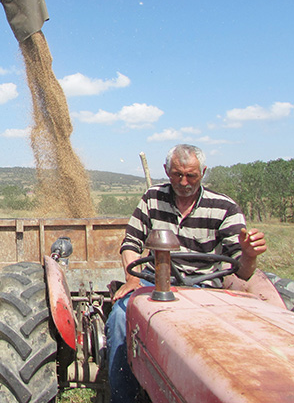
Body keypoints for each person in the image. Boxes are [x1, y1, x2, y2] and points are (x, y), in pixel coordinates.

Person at [105, 144, 267, 403]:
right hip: (154, 283)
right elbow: (131, 243)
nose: (183, 182)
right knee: (120, 318)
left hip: (204, 287)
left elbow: (243, 272)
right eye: (177, 174)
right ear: (166, 171)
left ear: (203, 172)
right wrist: (133, 279)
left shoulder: (224, 207)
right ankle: (122, 397)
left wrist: (249, 254)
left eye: (191, 175)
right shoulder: (152, 198)